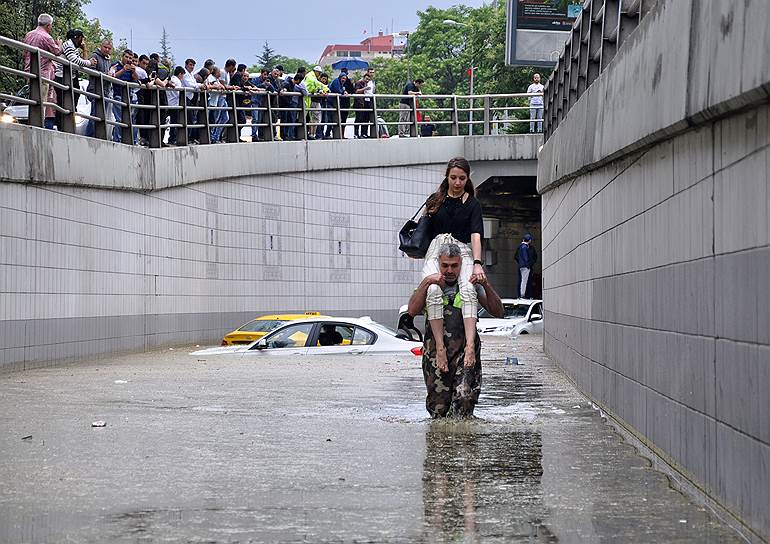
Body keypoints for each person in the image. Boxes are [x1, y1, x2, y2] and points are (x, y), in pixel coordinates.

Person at [407, 242, 503, 418]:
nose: (449, 270)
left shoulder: (469, 286)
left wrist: (486, 285)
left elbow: (499, 312)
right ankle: (440, 444)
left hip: (465, 353)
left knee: (464, 397)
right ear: (438, 263)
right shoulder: (430, 287)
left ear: (461, 264)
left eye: (454, 266)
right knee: (438, 408)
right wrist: (427, 282)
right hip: (436, 354)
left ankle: (466, 443)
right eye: (445, 265)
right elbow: (412, 310)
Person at [420, 157, 485, 373]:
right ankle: (439, 347)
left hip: (462, 251)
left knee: (468, 290)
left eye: (462, 178)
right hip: (436, 250)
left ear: (468, 179)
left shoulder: (473, 204)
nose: (457, 182)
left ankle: (470, 346)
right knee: (432, 290)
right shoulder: (435, 200)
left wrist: (477, 263)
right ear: (447, 176)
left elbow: (475, 235)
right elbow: (424, 233)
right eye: (453, 178)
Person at [23, 13, 62, 129]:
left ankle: (33, 124)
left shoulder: (29, 35)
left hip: (29, 71)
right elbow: (57, 52)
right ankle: (39, 127)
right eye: (51, 26)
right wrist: (59, 44)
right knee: (41, 101)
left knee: (33, 100)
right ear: (48, 25)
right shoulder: (47, 37)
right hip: (43, 73)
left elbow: (25, 53)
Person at [85, 39, 113, 138]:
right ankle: (89, 137)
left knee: (100, 117)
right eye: (105, 47)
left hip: (105, 91)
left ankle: (97, 137)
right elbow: (91, 71)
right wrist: (107, 74)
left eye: (109, 48)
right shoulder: (95, 56)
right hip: (95, 90)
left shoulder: (108, 59)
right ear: (101, 46)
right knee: (94, 116)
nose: (107, 49)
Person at [514, 233, 537, 298]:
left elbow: (517, 257)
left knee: (522, 280)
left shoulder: (520, 246)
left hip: (521, 266)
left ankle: (521, 295)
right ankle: (522, 295)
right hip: (525, 266)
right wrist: (528, 265)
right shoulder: (525, 247)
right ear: (529, 240)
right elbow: (526, 257)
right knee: (524, 280)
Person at [353, 72, 372, 138]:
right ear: (364, 77)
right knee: (358, 119)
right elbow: (356, 91)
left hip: (364, 103)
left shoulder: (365, 84)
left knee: (364, 119)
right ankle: (356, 133)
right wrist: (365, 88)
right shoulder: (359, 83)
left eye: (368, 80)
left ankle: (362, 133)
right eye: (366, 79)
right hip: (358, 104)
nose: (367, 80)